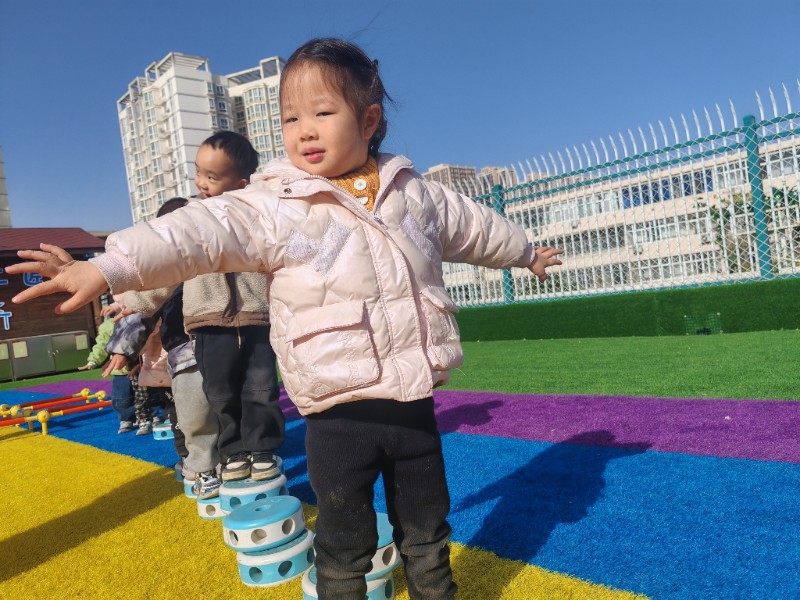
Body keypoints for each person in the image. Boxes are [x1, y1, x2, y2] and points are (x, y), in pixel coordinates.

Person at [8, 37, 563, 600]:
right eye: (291, 118)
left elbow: (476, 227)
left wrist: (525, 253)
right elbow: (195, 232)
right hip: (336, 411)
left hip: (412, 399)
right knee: (344, 535)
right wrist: (108, 266)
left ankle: (434, 590)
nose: (305, 131)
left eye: (322, 113)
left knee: (427, 526)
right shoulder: (275, 204)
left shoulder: (415, 193)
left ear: (369, 120)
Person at [79, 308, 136, 434]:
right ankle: (126, 418)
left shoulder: (139, 317)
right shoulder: (109, 325)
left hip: (141, 365)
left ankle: (150, 416)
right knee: (121, 396)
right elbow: (102, 344)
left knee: (147, 392)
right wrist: (93, 360)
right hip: (121, 369)